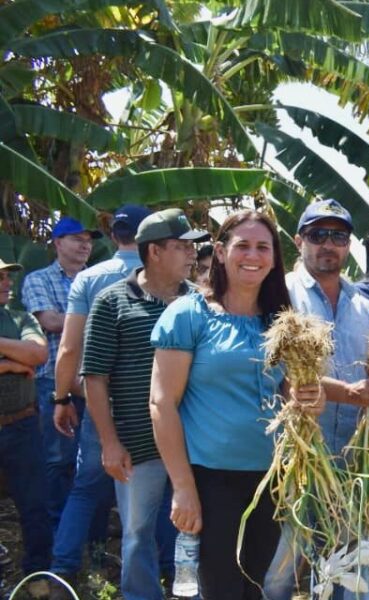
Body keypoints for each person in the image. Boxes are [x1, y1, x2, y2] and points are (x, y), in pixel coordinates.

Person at [149, 210, 321, 598]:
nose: (253, 255)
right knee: (221, 589)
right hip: (211, 479)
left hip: (270, 479)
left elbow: (292, 394)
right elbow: (161, 404)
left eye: (263, 247)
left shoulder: (282, 321)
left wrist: (309, 399)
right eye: (242, 245)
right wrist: (182, 487)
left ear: (275, 258)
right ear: (220, 252)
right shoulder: (189, 314)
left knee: (254, 586)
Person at [264, 199, 369, 600]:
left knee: (348, 564)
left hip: (354, 458)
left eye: (338, 236)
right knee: (281, 566)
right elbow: (281, 374)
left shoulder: (364, 304)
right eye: (318, 235)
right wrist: (351, 394)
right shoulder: (280, 294)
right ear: (298, 240)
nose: (329, 245)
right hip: (298, 457)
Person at [81, 209, 208, 600]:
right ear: (154, 252)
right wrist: (109, 442)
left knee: (200, 527)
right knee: (137, 533)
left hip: (197, 444)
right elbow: (95, 378)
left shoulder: (200, 302)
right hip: (138, 443)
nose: (192, 254)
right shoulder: (112, 301)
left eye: (192, 246)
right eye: (182, 246)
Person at [50, 204, 152, 594]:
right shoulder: (165, 277)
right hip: (151, 404)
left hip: (99, 399)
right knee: (156, 489)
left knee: (87, 485)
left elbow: (68, 349)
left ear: (113, 237)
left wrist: (61, 397)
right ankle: (162, 571)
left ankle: (61, 569)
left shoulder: (90, 278)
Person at [21, 216, 100, 532]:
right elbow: (50, 322)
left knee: (93, 464)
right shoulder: (38, 279)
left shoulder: (97, 279)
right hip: (53, 381)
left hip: (93, 379)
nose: (84, 244)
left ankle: (89, 536)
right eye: (76, 238)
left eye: (88, 240)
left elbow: (61, 319)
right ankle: (57, 531)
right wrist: (92, 317)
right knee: (59, 461)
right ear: (57, 243)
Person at [0, 258, 54, 597]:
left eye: (7, 277)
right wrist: (11, 364)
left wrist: (7, 360)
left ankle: (36, 573)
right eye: (0, 277)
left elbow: (38, 353)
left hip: (21, 425)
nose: (7, 283)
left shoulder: (20, 318)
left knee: (34, 503)